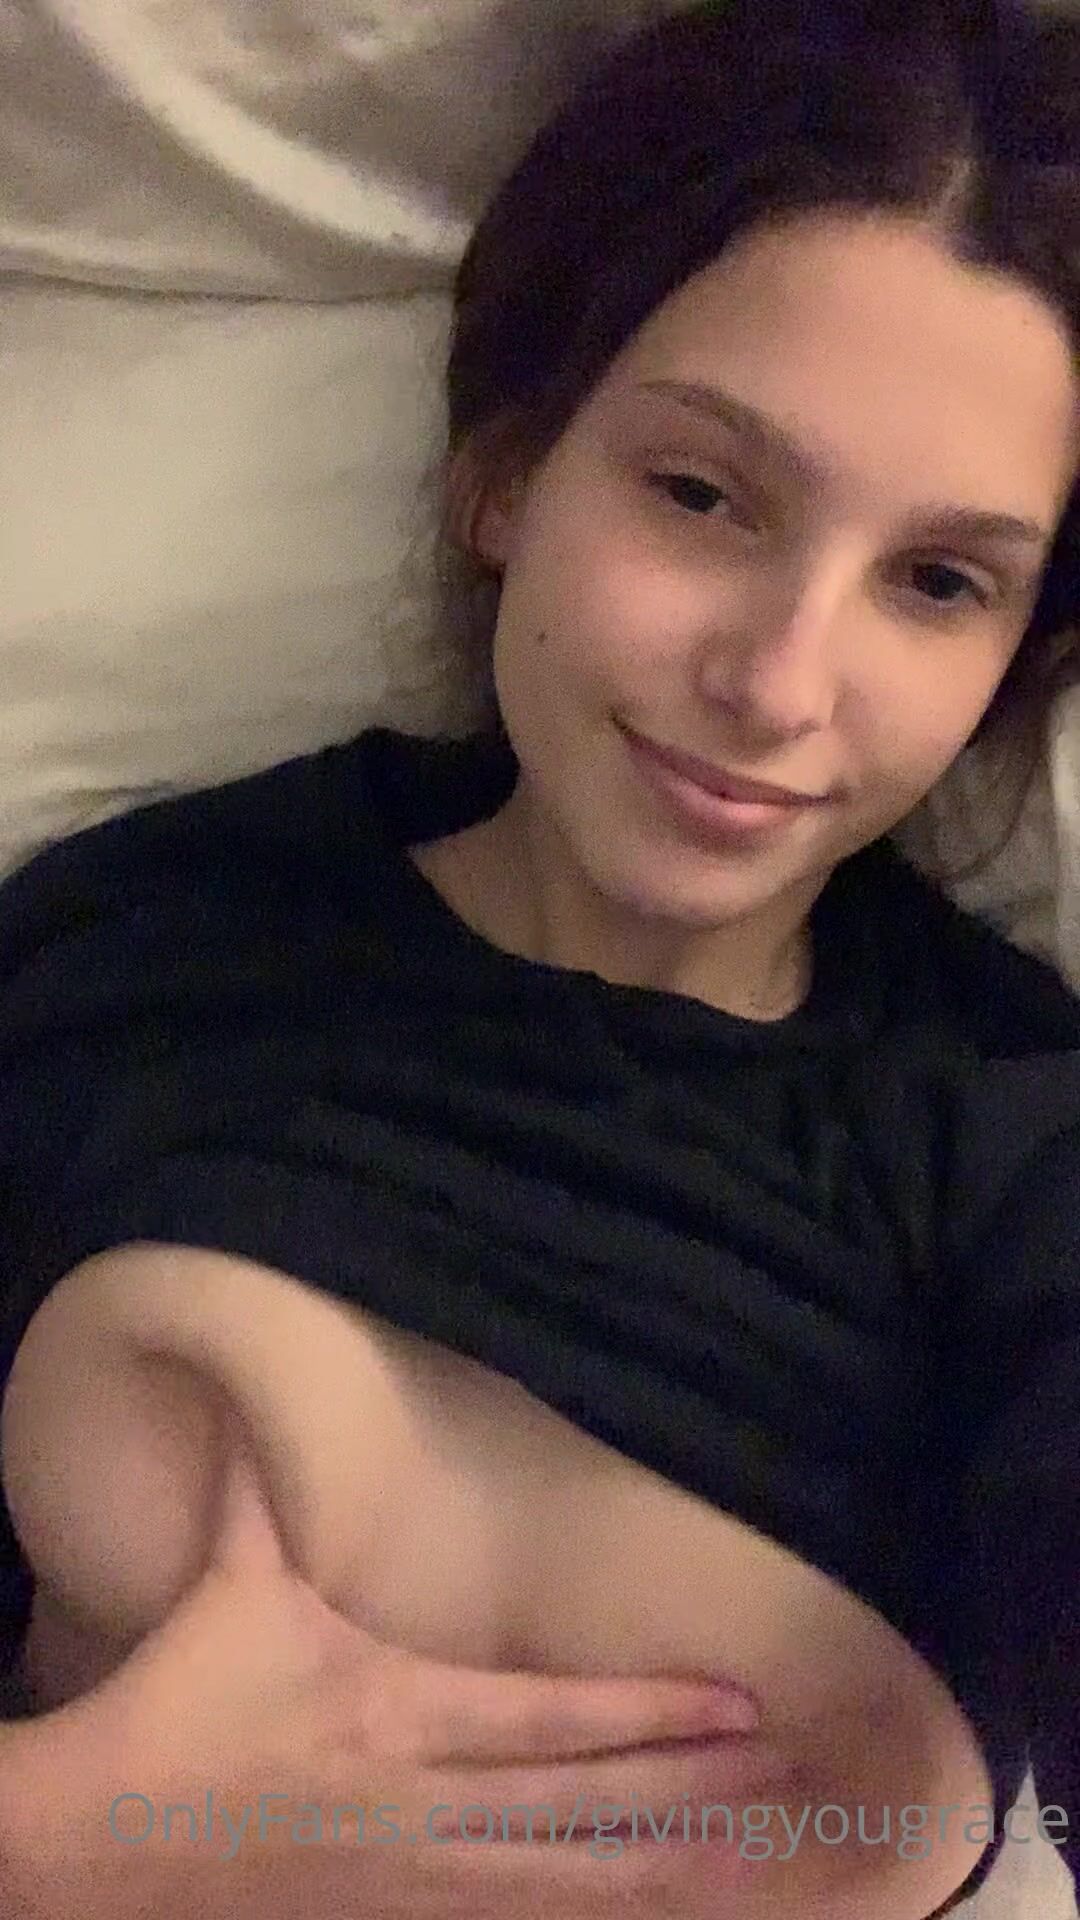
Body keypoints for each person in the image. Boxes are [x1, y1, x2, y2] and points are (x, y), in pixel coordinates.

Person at [2, 0, 1080, 1915]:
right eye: (701, 494)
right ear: (507, 474)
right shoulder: (133, 954)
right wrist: (69, 1831)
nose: (778, 682)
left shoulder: (1021, 1135)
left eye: (937, 582)